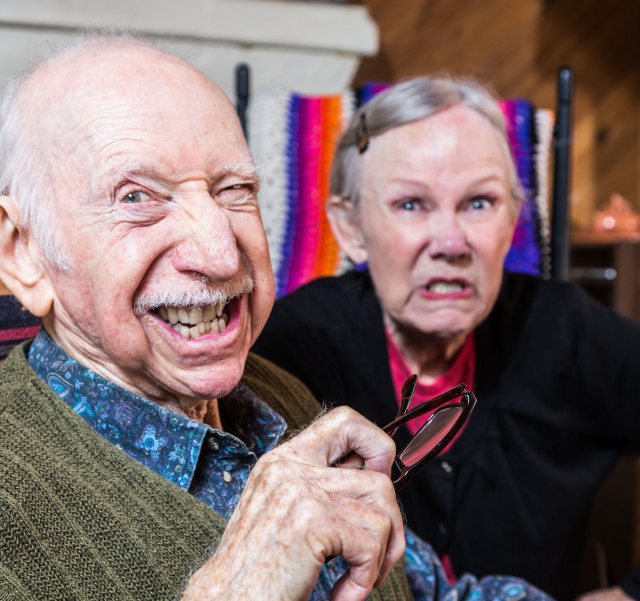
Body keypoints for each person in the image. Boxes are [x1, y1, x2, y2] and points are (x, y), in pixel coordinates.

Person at [0, 35, 552, 601]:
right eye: (138, 198)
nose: (221, 255)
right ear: (22, 251)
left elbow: (429, 589)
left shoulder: (273, 390)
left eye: (234, 189)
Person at [252, 75, 640, 601]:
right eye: (412, 204)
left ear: (513, 221)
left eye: (479, 203)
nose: (452, 242)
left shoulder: (563, 329)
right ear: (350, 227)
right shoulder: (290, 349)